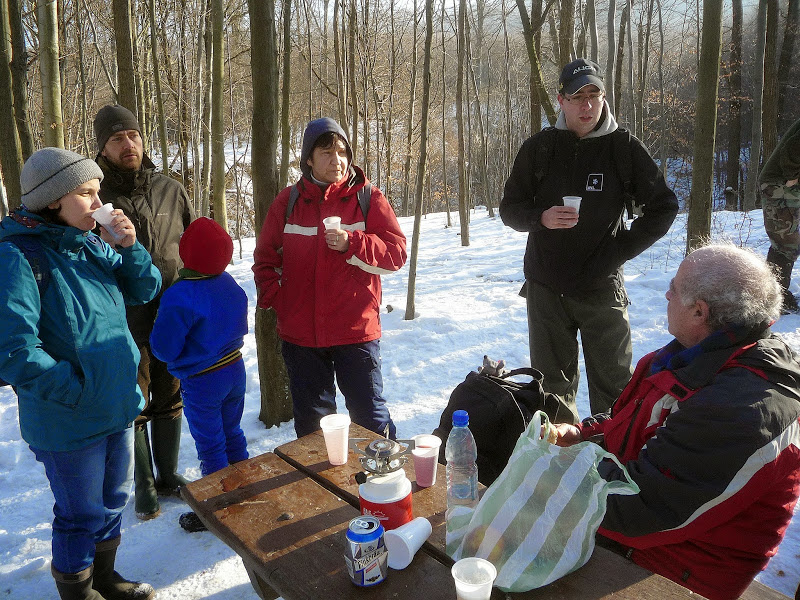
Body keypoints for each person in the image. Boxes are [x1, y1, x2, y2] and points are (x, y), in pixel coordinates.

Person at [553, 243, 800, 600]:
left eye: (674, 288)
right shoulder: (692, 355)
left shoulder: (742, 407)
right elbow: (628, 419)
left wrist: (557, 472)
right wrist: (581, 434)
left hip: (678, 567)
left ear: (700, 311)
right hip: (644, 526)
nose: (666, 294)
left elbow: (643, 511)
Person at [0, 148, 162, 600]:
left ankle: (105, 578)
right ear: (53, 199)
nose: (99, 202)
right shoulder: (17, 256)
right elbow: (13, 350)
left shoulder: (89, 241)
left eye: (98, 191)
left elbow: (144, 289)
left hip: (115, 405)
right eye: (87, 193)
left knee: (112, 503)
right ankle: (77, 592)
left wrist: (129, 247)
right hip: (68, 419)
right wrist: (76, 391)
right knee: (78, 515)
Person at [500, 58, 679, 419]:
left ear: (603, 97)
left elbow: (664, 206)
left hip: (601, 286)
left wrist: (620, 249)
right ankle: (560, 460)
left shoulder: (623, 148)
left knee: (615, 389)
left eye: (593, 95)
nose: (586, 105)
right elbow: (509, 208)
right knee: (550, 389)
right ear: (561, 100)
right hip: (546, 287)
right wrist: (542, 217)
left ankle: (611, 464)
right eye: (577, 96)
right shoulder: (539, 148)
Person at [252, 117, 407, 439]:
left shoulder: (369, 198)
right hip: (301, 337)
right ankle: (322, 487)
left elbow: (396, 254)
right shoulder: (288, 202)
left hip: (356, 332)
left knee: (370, 419)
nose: (336, 160)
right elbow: (265, 260)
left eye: (341, 151)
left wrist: (354, 242)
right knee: (312, 427)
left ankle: (381, 484)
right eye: (325, 153)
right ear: (308, 158)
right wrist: (281, 302)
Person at [93, 104, 195, 520]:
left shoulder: (170, 188)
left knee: (171, 396)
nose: (128, 144)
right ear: (102, 147)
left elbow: (190, 247)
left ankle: (169, 475)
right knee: (135, 403)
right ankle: (144, 484)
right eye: (117, 139)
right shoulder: (95, 200)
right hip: (122, 321)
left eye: (133, 135)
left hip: (171, 313)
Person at [150, 217, 249, 533]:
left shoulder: (180, 295)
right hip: (235, 369)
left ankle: (217, 509)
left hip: (203, 380)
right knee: (232, 431)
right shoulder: (229, 283)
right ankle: (244, 486)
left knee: (210, 444)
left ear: (186, 254)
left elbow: (164, 349)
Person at [760, 117, 800, 313]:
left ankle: (775, 294)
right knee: (785, 244)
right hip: (780, 187)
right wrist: (792, 175)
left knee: (788, 243)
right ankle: (776, 297)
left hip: (785, 188)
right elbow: (793, 148)